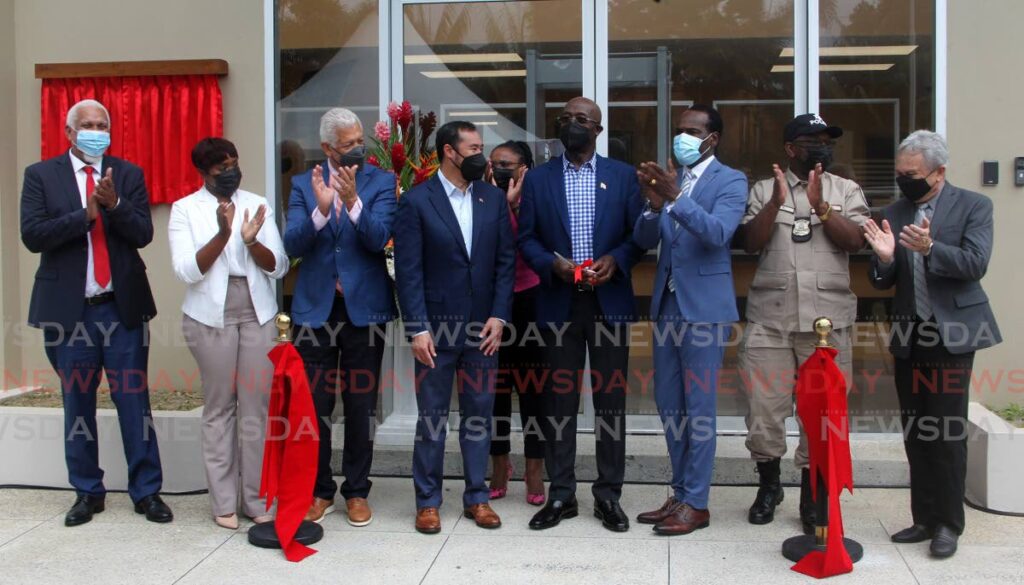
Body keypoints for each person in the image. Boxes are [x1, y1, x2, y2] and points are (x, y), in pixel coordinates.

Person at [20, 98, 172, 526]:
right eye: (86, 124)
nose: (95, 130)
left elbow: (143, 232)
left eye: (102, 124)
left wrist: (115, 206)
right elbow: (32, 236)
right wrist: (83, 216)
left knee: (134, 404)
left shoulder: (127, 174)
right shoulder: (40, 176)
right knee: (77, 405)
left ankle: (147, 493)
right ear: (69, 132)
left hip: (120, 311)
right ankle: (87, 492)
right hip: (70, 315)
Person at [864, 130, 1001, 559]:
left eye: (913, 174)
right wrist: (885, 260)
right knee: (917, 430)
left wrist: (931, 248)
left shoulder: (975, 206)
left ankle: (948, 524)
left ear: (939, 173)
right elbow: (881, 278)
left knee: (946, 431)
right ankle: (923, 517)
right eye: (901, 173)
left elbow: (975, 263)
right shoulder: (895, 209)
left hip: (952, 334)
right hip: (910, 334)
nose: (905, 180)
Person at [734, 113, 869, 533]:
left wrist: (823, 207)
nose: (822, 146)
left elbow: (855, 241)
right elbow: (750, 244)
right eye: (812, 140)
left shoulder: (845, 190)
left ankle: (814, 494)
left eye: (827, 140)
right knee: (764, 410)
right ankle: (769, 486)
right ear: (791, 148)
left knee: (821, 414)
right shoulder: (762, 189)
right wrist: (776, 202)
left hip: (826, 325)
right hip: (769, 321)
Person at [518, 97, 645, 532]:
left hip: (609, 303)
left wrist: (617, 259)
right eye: (567, 119)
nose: (574, 125)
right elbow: (527, 239)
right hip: (558, 301)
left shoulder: (624, 177)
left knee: (610, 404)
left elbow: (637, 237)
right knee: (559, 403)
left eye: (583, 120)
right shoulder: (538, 180)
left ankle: (608, 495)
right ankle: (561, 494)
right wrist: (551, 265)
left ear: (599, 129)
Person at [394, 120, 515, 534]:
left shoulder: (492, 199)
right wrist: (417, 328)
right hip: (435, 329)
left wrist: (499, 316)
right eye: (475, 147)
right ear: (450, 151)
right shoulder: (416, 201)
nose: (482, 154)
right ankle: (427, 501)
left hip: (483, 329)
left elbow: (504, 263)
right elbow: (408, 272)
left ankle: (477, 497)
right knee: (432, 418)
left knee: (479, 416)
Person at [632, 105, 747, 535]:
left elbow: (718, 234)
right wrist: (652, 203)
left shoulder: (731, 180)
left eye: (692, 131)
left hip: (705, 311)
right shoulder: (670, 182)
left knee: (699, 410)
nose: (682, 137)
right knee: (669, 406)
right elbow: (644, 240)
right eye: (679, 129)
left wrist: (676, 198)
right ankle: (680, 494)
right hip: (668, 307)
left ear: (711, 139)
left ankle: (697, 502)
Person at [284, 107, 397, 526]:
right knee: (316, 407)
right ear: (328, 147)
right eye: (349, 143)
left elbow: (379, 238)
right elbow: (291, 242)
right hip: (315, 310)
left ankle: (357, 490)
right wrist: (319, 210)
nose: (358, 148)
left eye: (360, 139)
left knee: (360, 404)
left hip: (363, 311)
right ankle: (320, 489)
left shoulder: (381, 181)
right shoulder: (303, 184)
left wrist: (351, 204)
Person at [169, 137, 289, 529]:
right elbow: (187, 271)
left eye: (234, 164)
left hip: (257, 310)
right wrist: (223, 234)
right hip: (209, 314)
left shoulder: (258, 202)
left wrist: (250, 240)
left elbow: (279, 267)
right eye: (222, 169)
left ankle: (255, 499)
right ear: (204, 173)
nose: (231, 173)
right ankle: (222, 502)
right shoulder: (185, 209)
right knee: (220, 406)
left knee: (256, 407)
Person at [485, 140, 545, 505]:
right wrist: (501, 204)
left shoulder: (537, 200)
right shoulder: (481, 198)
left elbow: (535, 245)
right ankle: (499, 462)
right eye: (494, 163)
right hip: (493, 303)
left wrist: (517, 205)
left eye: (506, 163)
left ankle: (535, 468)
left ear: (524, 168)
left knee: (534, 390)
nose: (498, 169)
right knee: (495, 390)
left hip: (532, 299)